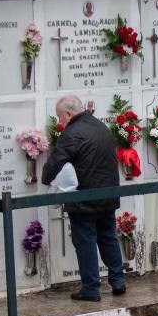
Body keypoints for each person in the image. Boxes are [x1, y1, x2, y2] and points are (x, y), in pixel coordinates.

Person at [42, 95, 126, 302]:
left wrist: (46, 177)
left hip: (84, 198)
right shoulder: (101, 127)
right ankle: (118, 281)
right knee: (108, 236)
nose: (60, 121)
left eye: (60, 117)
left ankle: (91, 288)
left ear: (69, 114)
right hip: (108, 195)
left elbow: (56, 162)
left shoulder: (72, 133)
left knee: (85, 241)